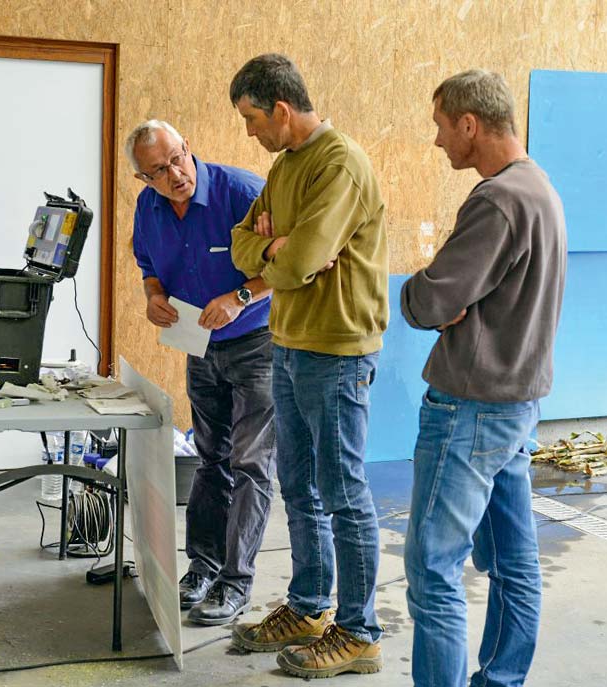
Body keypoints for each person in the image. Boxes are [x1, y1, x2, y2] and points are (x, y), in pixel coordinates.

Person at [400, 69, 566, 687]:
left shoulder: (496, 200)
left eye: (442, 128)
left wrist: (420, 291)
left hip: (469, 410)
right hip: (517, 404)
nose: (438, 141)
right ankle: (501, 680)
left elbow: (431, 300)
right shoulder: (540, 187)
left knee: (433, 567)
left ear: (469, 124)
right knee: (514, 562)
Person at [227, 54, 389, 678]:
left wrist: (287, 253)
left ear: (282, 110)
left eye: (252, 119)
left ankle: (359, 631)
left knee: (343, 492)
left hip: (338, 350)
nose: (250, 133)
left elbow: (298, 267)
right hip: (290, 342)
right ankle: (308, 605)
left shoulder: (339, 164)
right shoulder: (284, 166)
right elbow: (247, 249)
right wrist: (276, 244)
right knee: (299, 486)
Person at [128, 119, 276, 625]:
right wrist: (152, 296)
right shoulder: (149, 206)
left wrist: (239, 298)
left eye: (176, 159)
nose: (173, 174)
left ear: (188, 147)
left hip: (257, 342)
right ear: (144, 180)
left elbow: (287, 263)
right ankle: (204, 567)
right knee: (210, 458)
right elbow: (147, 259)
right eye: (157, 171)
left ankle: (237, 581)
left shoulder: (245, 193)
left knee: (251, 463)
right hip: (199, 344)